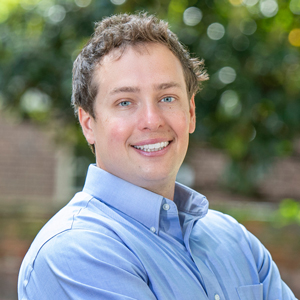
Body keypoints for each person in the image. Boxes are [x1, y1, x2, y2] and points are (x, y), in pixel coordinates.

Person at [18, 13, 297, 300]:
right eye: (125, 102)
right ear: (89, 123)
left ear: (190, 113)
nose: (152, 120)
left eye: (167, 98)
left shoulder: (236, 242)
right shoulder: (73, 251)